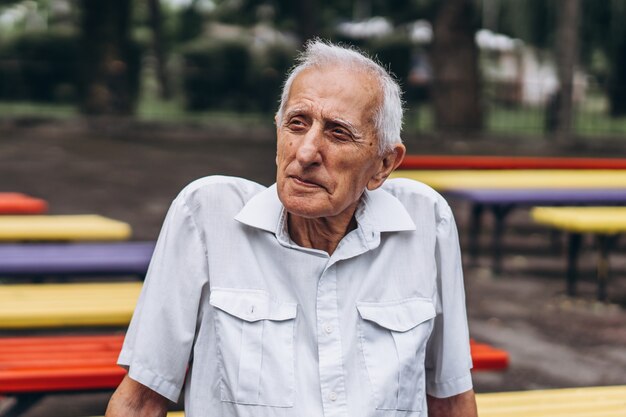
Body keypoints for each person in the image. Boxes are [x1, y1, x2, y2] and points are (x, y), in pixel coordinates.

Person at [105, 39, 477, 417]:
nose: (306, 152)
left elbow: (449, 400)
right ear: (278, 131)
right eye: (297, 124)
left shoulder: (426, 219)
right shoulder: (207, 215)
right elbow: (141, 402)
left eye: (337, 133)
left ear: (383, 165)